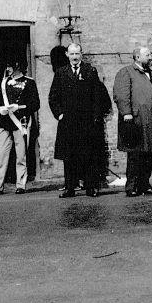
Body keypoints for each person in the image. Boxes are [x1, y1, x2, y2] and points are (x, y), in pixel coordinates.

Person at [50, 43, 111, 198]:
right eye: (72, 54)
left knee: (89, 155)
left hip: (87, 122)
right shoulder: (61, 73)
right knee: (69, 157)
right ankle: (70, 188)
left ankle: (91, 188)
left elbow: (97, 96)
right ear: (67, 55)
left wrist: (96, 117)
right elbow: (53, 97)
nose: (75, 57)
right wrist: (60, 114)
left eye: (77, 54)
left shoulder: (90, 71)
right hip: (68, 122)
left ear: (81, 54)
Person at [113, 46, 152, 197]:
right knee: (135, 154)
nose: (151, 58)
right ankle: (132, 186)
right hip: (136, 120)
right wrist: (127, 113)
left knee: (149, 153)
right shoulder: (126, 72)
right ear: (137, 57)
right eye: (147, 55)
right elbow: (121, 95)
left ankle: (144, 184)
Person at [0, 57, 39, 196]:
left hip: (21, 122)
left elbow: (35, 104)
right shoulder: (4, 83)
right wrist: (0, 109)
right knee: (1, 156)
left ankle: (21, 185)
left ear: (18, 66)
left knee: (21, 156)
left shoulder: (29, 82)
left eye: (10, 65)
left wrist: (19, 107)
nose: (8, 68)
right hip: (5, 123)